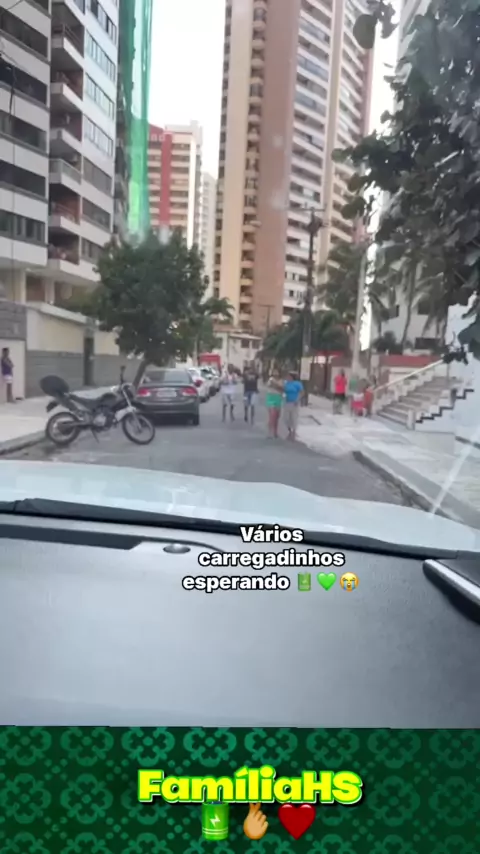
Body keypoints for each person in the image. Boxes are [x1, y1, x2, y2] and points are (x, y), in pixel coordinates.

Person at [283, 371, 304, 440]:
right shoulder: (286, 383)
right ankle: (289, 430)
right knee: (286, 418)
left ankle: (294, 432)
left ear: (292, 377)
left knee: (294, 417)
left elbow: (302, 392)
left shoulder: (297, 384)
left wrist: (297, 399)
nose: (287, 377)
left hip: (294, 402)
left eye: (289, 376)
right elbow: (283, 390)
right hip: (287, 402)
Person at [265, 369, 283, 438]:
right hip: (271, 397)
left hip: (278, 398)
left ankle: (275, 431)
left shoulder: (281, 380)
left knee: (277, 416)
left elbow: (282, 388)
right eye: (274, 372)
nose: (275, 373)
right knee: (272, 415)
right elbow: (270, 385)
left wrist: (276, 385)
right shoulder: (271, 379)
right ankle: (270, 432)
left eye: (277, 372)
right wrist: (278, 387)